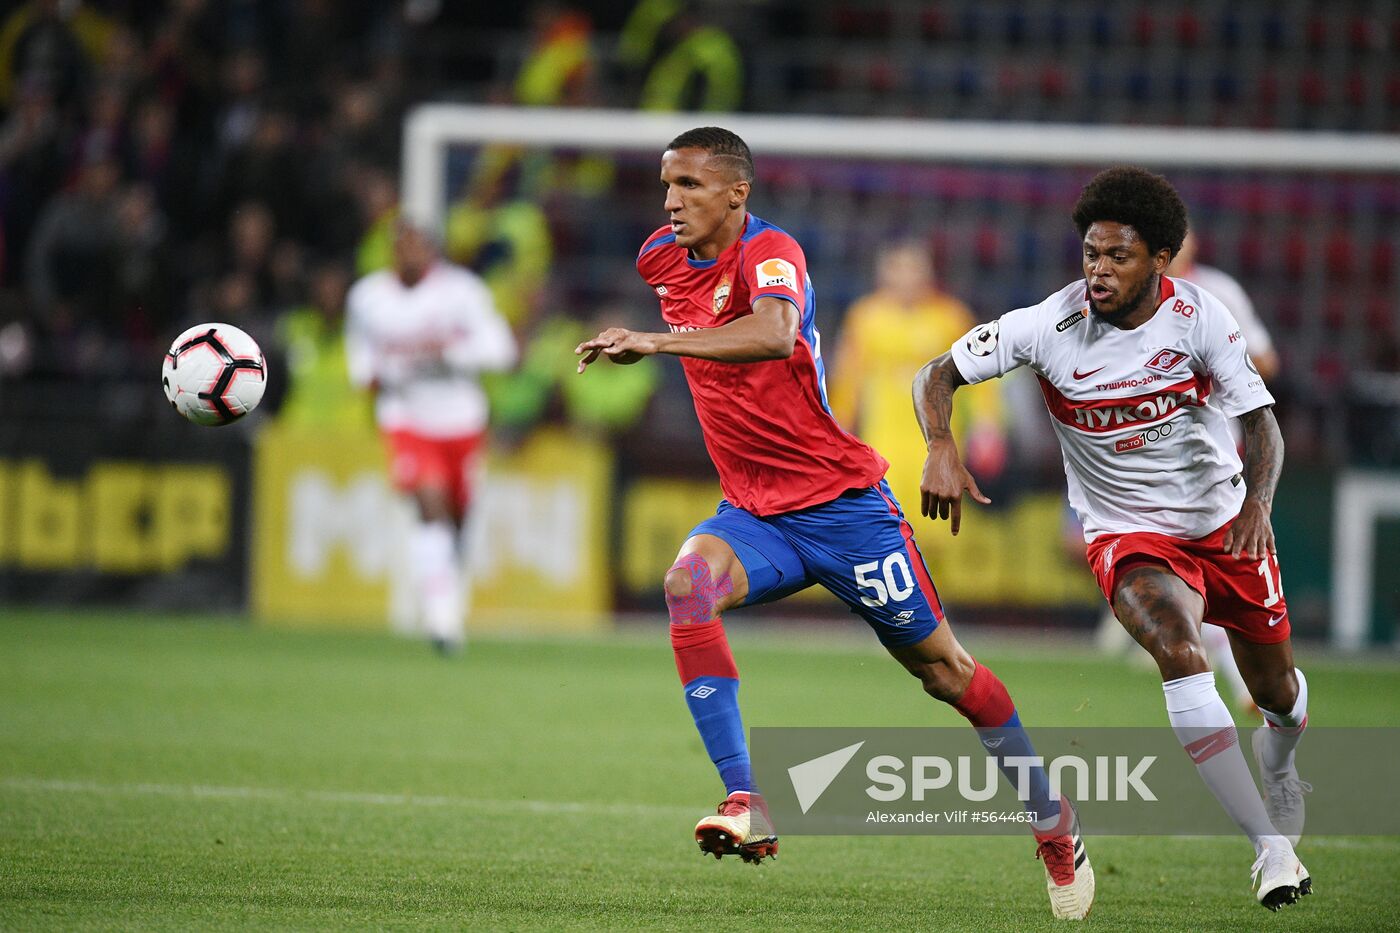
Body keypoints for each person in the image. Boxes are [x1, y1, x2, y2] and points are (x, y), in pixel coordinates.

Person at [575, 127, 1094, 921]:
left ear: (737, 194)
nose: (672, 200)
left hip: (845, 507)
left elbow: (776, 332)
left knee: (945, 673)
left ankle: (1054, 823)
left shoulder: (771, 250)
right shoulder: (659, 258)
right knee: (685, 586)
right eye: (665, 184)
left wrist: (653, 341)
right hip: (754, 512)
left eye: (689, 185)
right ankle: (745, 796)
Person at [914, 167, 1311, 912]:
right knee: (1179, 649)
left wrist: (1258, 502)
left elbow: (1260, 421)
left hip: (1224, 523)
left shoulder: (1203, 318)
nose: (1098, 270)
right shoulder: (1046, 326)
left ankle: (1282, 763)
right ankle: (1270, 847)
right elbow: (935, 374)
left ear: (1160, 259)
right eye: (1090, 253)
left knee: (1279, 695)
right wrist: (941, 442)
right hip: (1127, 535)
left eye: (1117, 257)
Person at [346, 220, 517, 653]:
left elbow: (501, 350)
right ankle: (441, 621)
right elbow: (360, 366)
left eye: (417, 246)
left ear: (431, 251)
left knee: (457, 522)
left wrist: (450, 355)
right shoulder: (368, 298)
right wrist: (385, 371)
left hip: (462, 419)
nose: (409, 254)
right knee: (430, 504)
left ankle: (448, 601)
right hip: (407, 418)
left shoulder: (463, 292)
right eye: (401, 246)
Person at [828, 242, 1006, 532]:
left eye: (913, 269)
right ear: (883, 275)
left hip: (940, 445)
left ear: (928, 273)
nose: (906, 278)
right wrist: (837, 432)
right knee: (889, 530)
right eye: (898, 270)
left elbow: (980, 379)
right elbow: (848, 381)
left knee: (940, 534)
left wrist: (988, 427)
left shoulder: (951, 317)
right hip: (883, 444)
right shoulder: (866, 317)